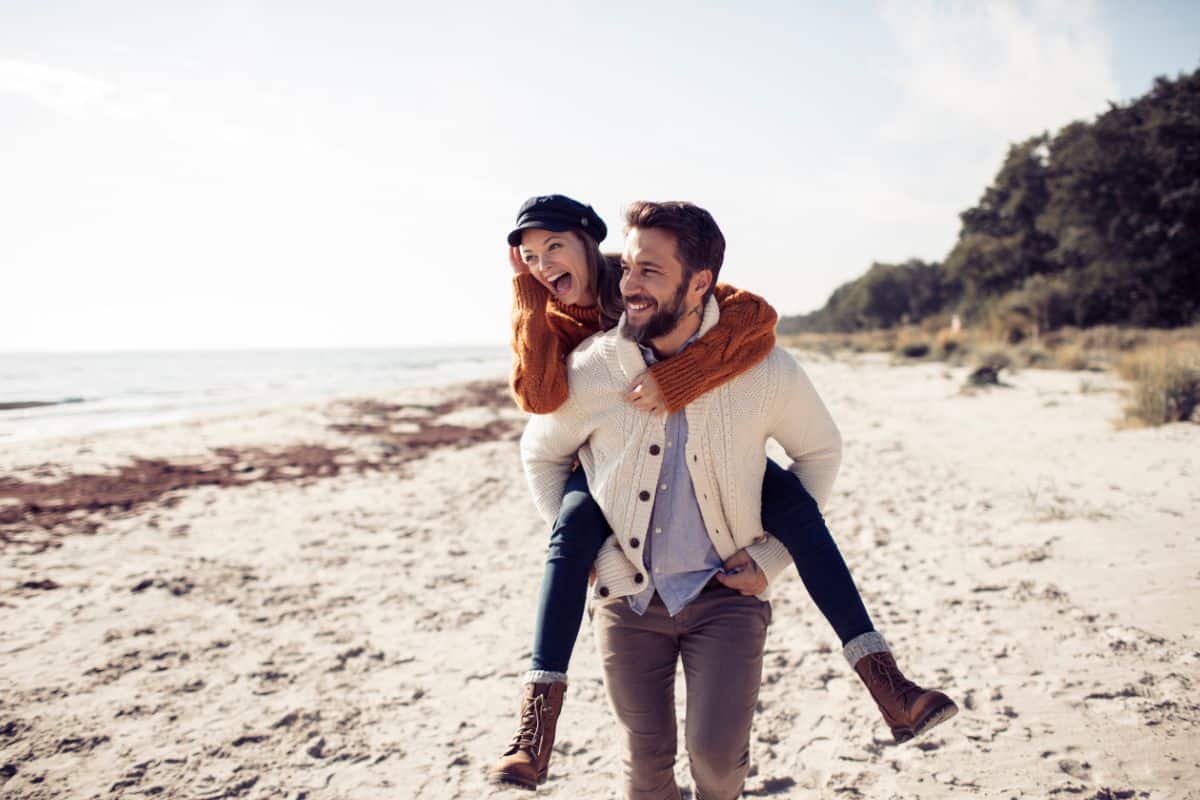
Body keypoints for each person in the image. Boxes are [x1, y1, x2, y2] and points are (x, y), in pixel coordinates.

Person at [489, 195, 955, 791]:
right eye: (628, 267)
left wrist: (769, 558)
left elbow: (813, 437)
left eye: (649, 270)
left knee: (716, 762)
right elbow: (538, 432)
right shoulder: (593, 358)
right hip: (629, 596)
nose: (631, 282)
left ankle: (887, 680)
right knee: (645, 766)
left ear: (700, 281)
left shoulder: (754, 360)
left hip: (725, 598)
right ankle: (535, 724)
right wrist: (601, 557)